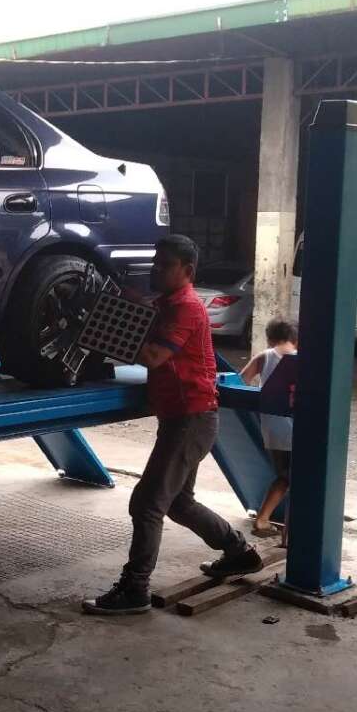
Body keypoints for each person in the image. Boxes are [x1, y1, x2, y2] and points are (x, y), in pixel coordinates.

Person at [83, 234, 261, 614]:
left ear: (188, 270)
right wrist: (127, 300)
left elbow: (153, 356)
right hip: (186, 418)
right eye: (155, 262)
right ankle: (239, 552)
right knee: (178, 504)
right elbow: (149, 309)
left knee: (147, 504)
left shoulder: (186, 308)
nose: (156, 269)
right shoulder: (168, 303)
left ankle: (135, 590)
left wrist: (101, 331)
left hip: (190, 420)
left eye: (165, 265)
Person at [240, 319, 298, 539]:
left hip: (271, 425)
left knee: (284, 474)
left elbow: (242, 381)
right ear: (294, 338)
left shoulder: (264, 356)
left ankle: (264, 519)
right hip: (296, 426)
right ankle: (269, 522)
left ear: (269, 338)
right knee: (291, 477)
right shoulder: (300, 359)